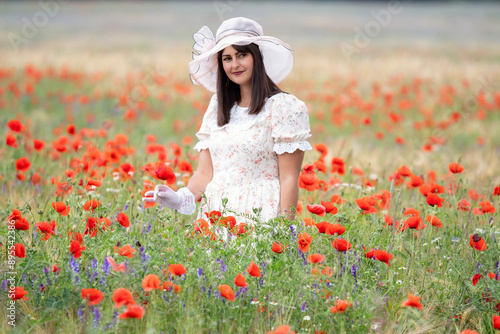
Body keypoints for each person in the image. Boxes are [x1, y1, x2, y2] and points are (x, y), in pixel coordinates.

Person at [143, 17, 312, 226]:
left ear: (257, 57)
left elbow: (289, 178)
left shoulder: (283, 107)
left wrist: (285, 229)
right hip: (216, 218)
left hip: (261, 216)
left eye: (242, 55)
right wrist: (178, 198)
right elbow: (205, 173)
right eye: (227, 58)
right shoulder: (218, 106)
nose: (235, 64)